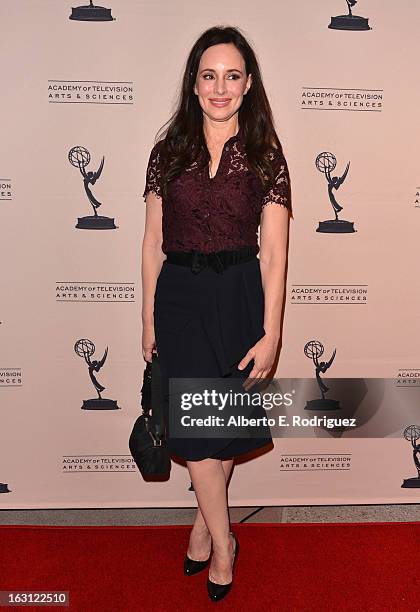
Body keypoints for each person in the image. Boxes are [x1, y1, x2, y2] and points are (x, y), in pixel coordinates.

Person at [141, 25, 292, 602]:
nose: (220, 87)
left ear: (248, 85)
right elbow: (152, 241)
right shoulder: (167, 153)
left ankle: (205, 526)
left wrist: (272, 331)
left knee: (220, 430)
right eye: (209, 75)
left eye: (232, 75)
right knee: (201, 439)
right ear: (194, 83)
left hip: (238, 297)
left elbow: (275, 252)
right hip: (178, 296)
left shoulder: (265, 156)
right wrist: (148, 320)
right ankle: (226, 545)